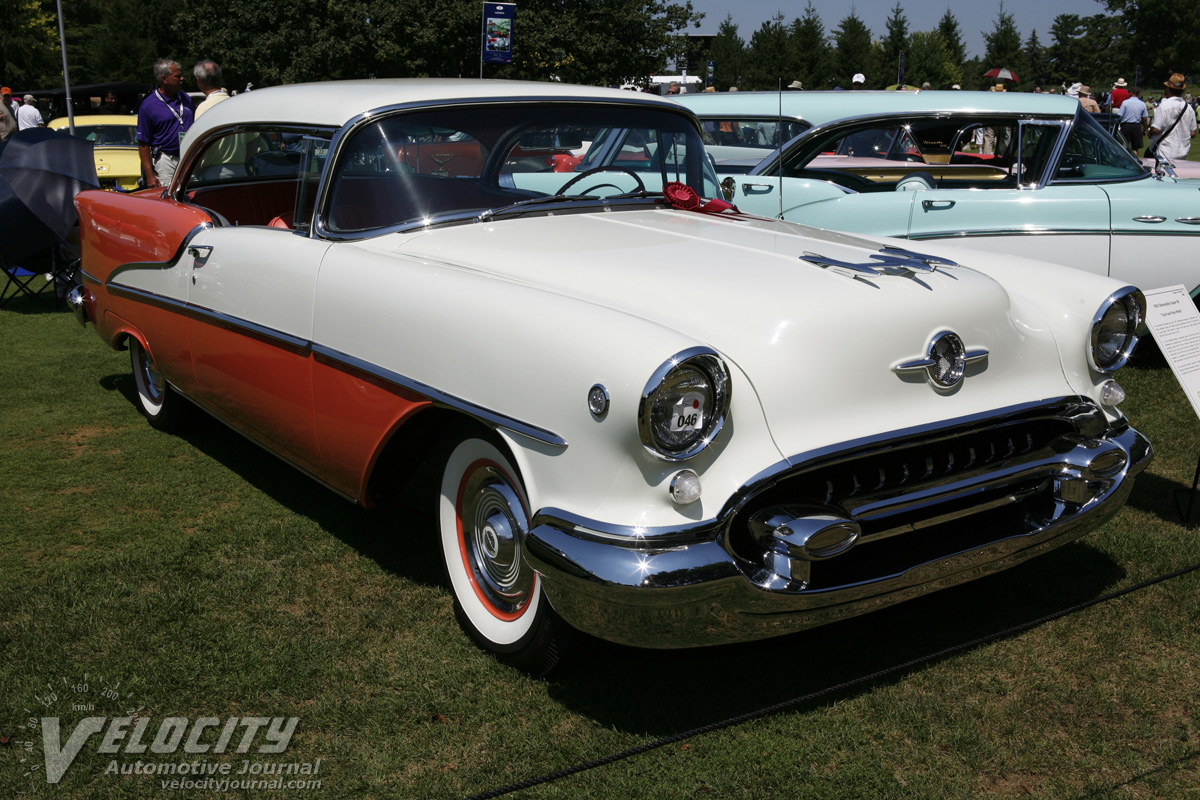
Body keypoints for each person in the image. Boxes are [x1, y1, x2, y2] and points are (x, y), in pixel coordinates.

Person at [136, 58, 194, 189]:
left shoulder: (185, 98)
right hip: (166, 160)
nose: (182, 78)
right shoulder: (148, 105)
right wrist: (150, 174)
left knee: (191, 197)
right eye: (177, 76)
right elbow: (143, 143)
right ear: (164, 79)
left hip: (189, 158)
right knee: (170, 201)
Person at [1147, 73, 1198, 161]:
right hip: (1182, 153)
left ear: (1168, 89)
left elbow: (1156, 129)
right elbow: (1193, 133)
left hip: (1163, 152)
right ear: (1182, 91)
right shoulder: (1189, 108)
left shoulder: (1164, 106)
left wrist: (1149, 130)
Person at [1118, 86, 1149, 153]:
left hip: (1126, 125)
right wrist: (1145, 129)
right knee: (1135, 147)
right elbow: (1145, 118)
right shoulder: (1142, 104)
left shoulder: (1125, 102)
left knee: (1123, 146)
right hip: (1137, 126)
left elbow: (1120, 115)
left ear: (1131, 93)